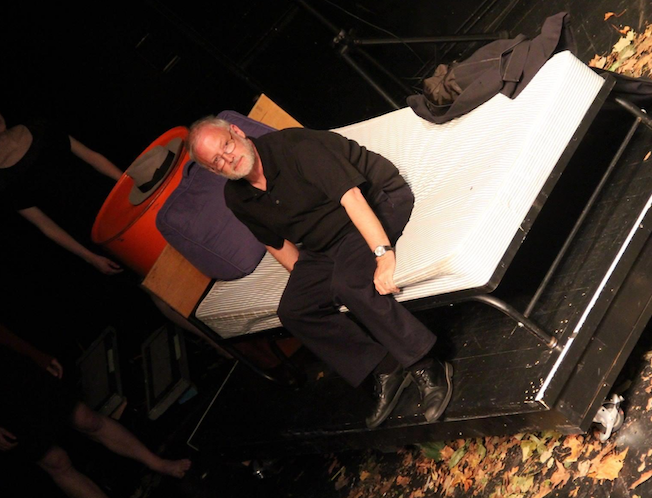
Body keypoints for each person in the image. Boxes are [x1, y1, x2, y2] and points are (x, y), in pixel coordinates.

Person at [186, 116, 453, 428]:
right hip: (324, 241)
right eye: (216, 161)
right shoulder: (236, 197)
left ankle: (425, 362)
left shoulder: (295, 147)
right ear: (213, 170)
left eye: (226, 146)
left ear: (236, 131)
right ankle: (386, 367)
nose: (228, 158)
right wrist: (309, 282)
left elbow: (352, 198)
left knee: (350, 284)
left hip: (376, 202)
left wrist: (383, 254)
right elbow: (276, 244)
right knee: (294, 309)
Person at [0, 315, 191, 498]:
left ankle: (158, 463)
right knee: (55, 461)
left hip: (7, 371)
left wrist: (38, 357)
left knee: (86, 419)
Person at [0, 101, 124, 275]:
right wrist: (90, 257)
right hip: (93, 229)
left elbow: (91, 157)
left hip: (116, 199)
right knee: (151, 281)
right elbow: (45, 225)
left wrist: (129, 183)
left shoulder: (39, 127)